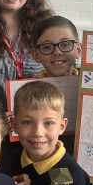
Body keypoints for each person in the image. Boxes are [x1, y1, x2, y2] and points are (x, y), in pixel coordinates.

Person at [29, 15, 81, 152]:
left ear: (78, 50)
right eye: (47, 47)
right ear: (36, 55)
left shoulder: (91, 91)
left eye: (65, 44)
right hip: (42, 162)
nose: (57, 52)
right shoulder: (25, 95)